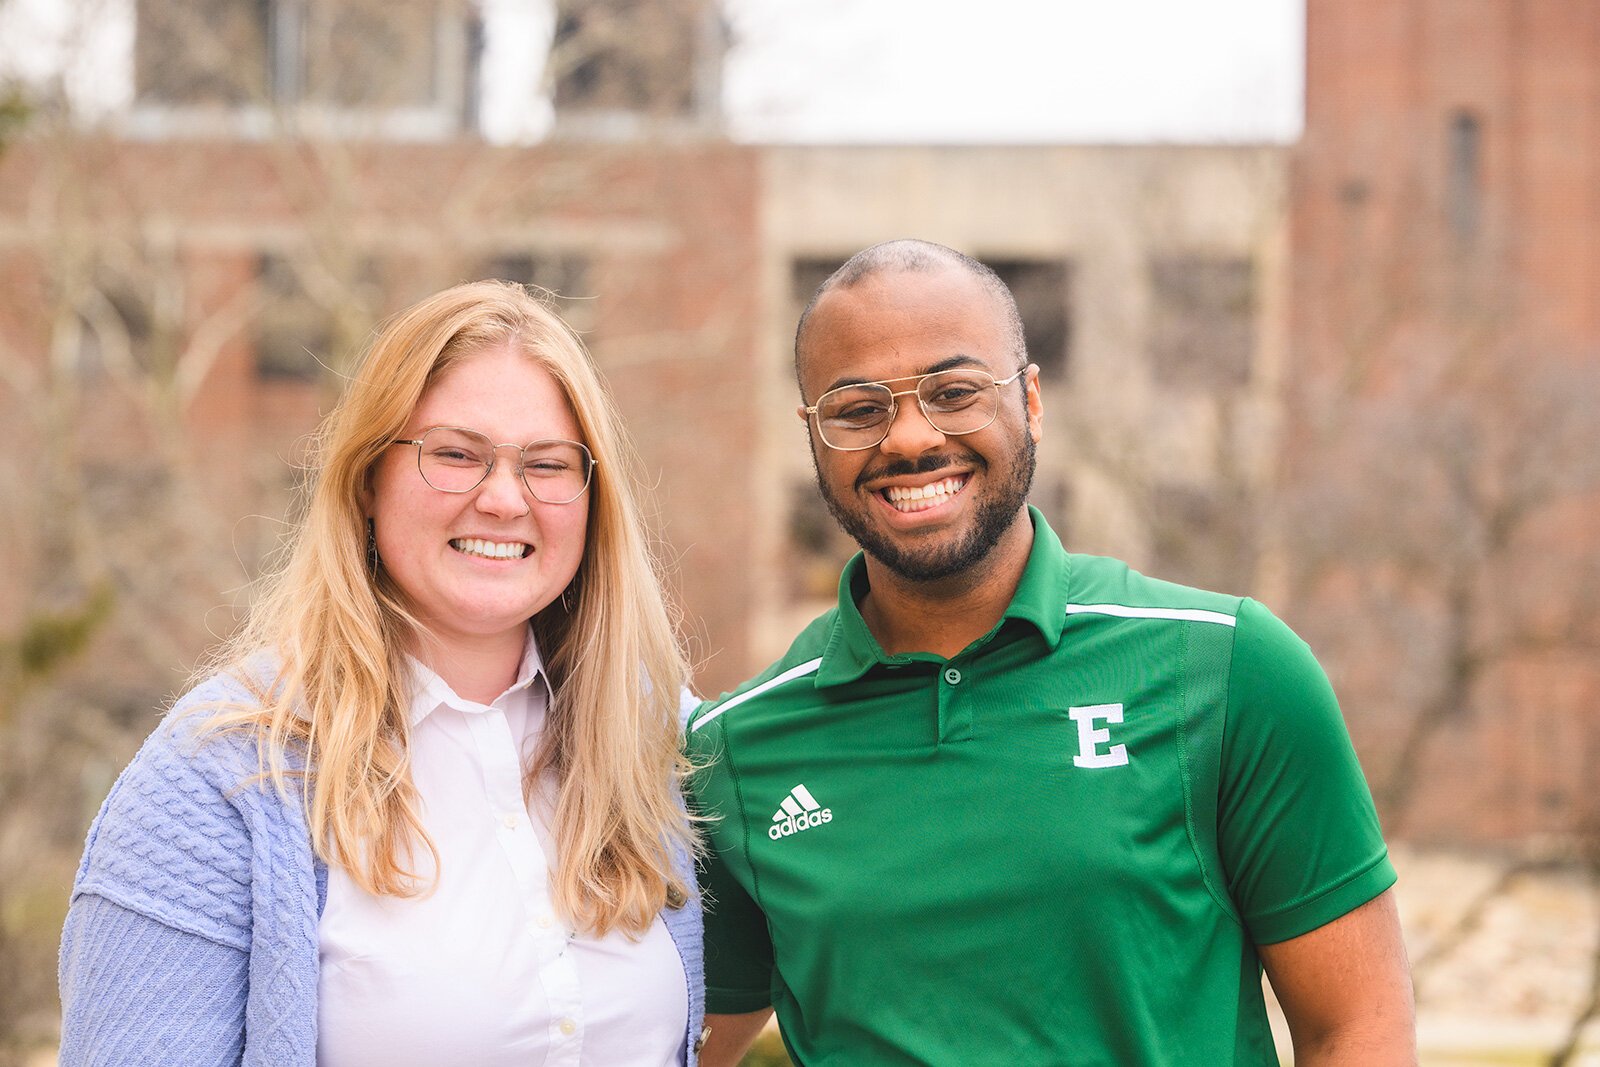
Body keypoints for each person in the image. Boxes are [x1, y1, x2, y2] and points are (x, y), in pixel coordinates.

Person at [688, 240, 1415, 1065]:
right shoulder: (734, 750)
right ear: (814, 436)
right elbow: (673, 1044)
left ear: (1031, 400)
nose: (911, 438)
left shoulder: (1232, 668)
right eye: (857, 408)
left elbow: (1359, 1028)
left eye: (954, 391)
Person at [60, 281, 706, 1066]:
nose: (504, 498)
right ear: (368, 478)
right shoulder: (213, 782)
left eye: (547, 464)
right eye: (456, 455)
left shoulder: (656, 739)